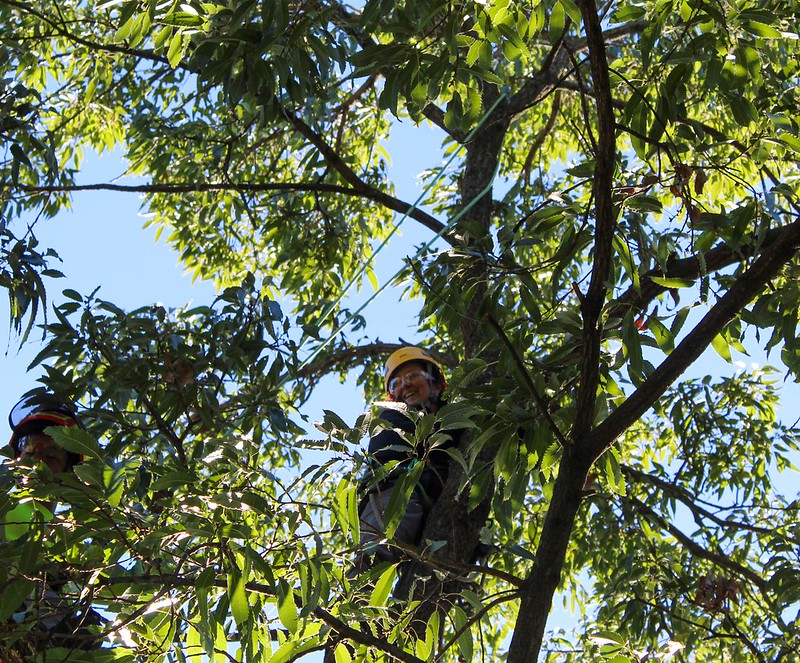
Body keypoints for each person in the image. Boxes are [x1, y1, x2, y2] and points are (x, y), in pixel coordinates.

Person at [2, 391, 100, 653]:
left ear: (69, 473)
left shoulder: (72, 544)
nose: (38, 462)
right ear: (15, 461)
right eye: (31, 451)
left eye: (51, 456)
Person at [354, 346, 461, 571]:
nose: (405, 385)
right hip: (393, 499)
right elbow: (389, 451)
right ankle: (355, 602)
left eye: (412, 376)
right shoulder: (392, 418)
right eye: (397, 383)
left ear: (437, 383)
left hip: (428, 510)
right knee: (374, 558)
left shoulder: (454, 420)